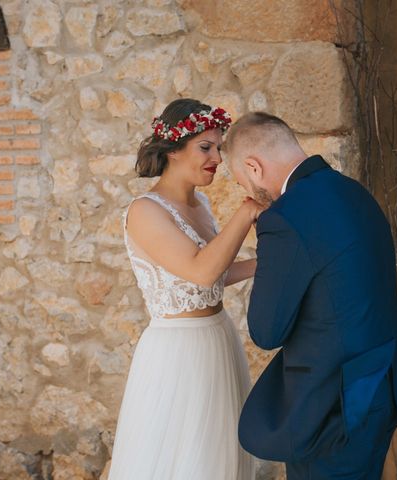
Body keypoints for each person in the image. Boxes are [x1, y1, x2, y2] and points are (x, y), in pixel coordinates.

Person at [223, 112, 397, 479]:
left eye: (241, 182)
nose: (249, 194)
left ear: (253, 167)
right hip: (383, 383)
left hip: (334, 409)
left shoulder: (284, 217)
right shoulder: (354, 191)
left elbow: (267, 331)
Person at [108, 99, 260, 480]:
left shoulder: (201, 203)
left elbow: (218, 275)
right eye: (205, 147)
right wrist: (246, 212)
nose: (217, 159)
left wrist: (266, 263)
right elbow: (202, 271)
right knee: (181, 457)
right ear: (173, 149)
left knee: (216, 454)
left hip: (218, 338)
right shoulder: (145, 211)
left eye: (218, 148)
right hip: (178, 353)